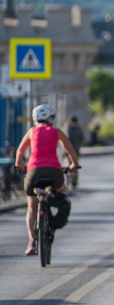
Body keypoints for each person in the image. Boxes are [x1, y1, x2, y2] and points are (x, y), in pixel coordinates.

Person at [14, 105, 79, 255]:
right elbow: (69, 149)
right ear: (52, 118)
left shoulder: (31, 131)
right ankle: (55, 214)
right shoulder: (56, 131)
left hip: (33, 172)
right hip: (54, 171)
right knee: (61, 190)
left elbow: (20, 150)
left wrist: (19, 165)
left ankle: (31, 242)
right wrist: (74, 164)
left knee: (31, 208)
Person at [65, 115, 84, 188]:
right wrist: (78, 146)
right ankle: (74, 182)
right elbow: (82, 138)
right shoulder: (78, 128)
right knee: (75, 166)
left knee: (68, 166)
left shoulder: (67, 127)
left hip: (67, 150)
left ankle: (69, 182)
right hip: (76, 150)